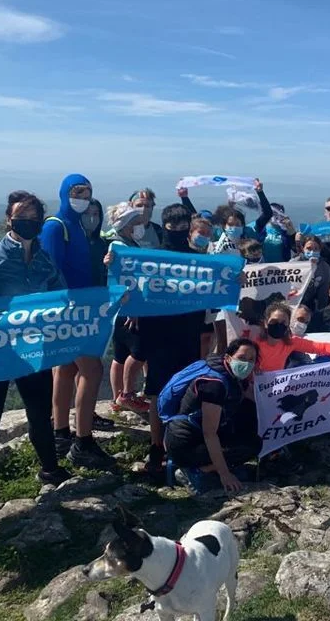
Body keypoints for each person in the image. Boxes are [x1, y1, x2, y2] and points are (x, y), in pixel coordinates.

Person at [0, 191, 72, 546]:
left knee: (40, 417)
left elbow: (66, 302)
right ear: (9, 218)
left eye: (34, 217)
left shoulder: (45, 262)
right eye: (22, 215)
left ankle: (50, 470)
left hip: (32, 353)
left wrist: (107, 303)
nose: (28, 222)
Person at [39, 174, 114, 468]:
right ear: (64, 193)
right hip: (68, 312)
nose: (82, 198)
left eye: (87, 193)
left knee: (67, 368)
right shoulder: (55, 226)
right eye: (77, 192)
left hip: (77, 310)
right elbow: (51, 271)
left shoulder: (77, 226)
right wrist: (62, 313)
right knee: (92, 369)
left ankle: (60, 434)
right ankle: (83, 441)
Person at [136, 204, 209, 476]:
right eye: (172, 226)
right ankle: (156, 447)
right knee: (157, 390)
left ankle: (179, 444)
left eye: (182, 226)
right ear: (164, 225)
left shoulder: (199, 260)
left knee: (186, 388)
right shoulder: (152, 258)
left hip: (188, 332)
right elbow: (133, 284)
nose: (177, 230)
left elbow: (217, 287)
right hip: (159, 334)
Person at [163, 339, 262, 494]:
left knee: (249, 425)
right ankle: (196, 471)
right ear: (228, 357)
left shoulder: (230, 375)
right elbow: (209, 433)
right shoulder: (214, 385)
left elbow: (257, 399)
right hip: (185, 444)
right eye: (242, 358)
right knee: (250, 446)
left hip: (194, 435)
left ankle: (212, 466)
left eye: (251, 360)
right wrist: (225, 475)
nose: (246, 363)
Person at [102, 203, 150, 413]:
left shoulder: (125, 244)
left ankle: (117, 399)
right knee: (139, 351)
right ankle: (127, 395)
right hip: (129, 308)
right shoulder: (121, 247)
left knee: (120, 354)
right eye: (136, 222)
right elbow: (124, 279)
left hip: (118, 308)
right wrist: (133, 308)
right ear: (125, 225)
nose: (140, 225)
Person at [253, 303, 330, 371]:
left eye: (283, 322)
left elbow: (319, 347)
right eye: (274, 321)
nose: (278, 325)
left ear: (288, 324)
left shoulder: (290, 342)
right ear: (266, 323)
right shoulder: (254, 342)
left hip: (273, 389)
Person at [294, 234, 330, 312]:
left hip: (311, 303)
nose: (312, 251)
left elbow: (323, 294)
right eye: (309, 248)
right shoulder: (293, 263)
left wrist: (320, 312)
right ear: (302, 248)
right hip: (294, 301)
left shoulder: (325, 267)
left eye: (316, 249)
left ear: (320, 250)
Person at [83, 200, 109, 286]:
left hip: (99, 291)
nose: (91, 218)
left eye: (95, 214)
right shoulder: (71, 242)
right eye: (86, 213)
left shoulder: (101, 243)